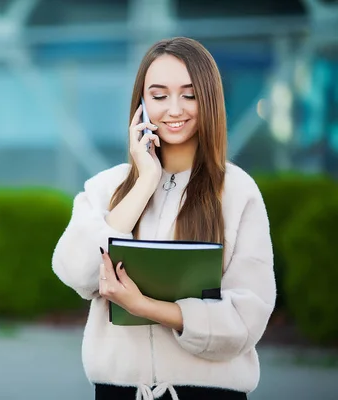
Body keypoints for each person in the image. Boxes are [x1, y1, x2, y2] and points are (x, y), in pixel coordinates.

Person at [51, 37, 276, 400]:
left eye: (189, 95)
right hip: (119, 391)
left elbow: (247, 318)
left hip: (208, 392)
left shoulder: (237, 191)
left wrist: (149, 308)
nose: (174, 109)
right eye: (159, 96)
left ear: (209, 100)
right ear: (141, 104)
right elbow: (74, 270)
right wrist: (143, 184)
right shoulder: (106, 186)